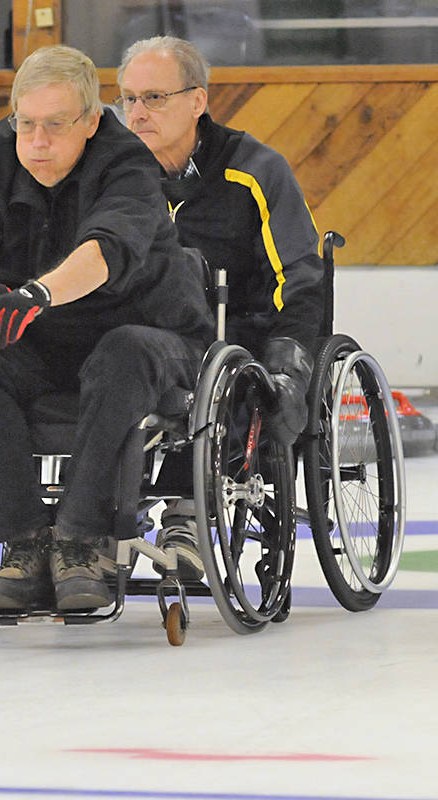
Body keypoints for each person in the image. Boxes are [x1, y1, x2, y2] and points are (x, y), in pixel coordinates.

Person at [0, 44, 214, 613]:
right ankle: (24, 543)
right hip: (38, 340)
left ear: (90, 121)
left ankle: (83, 541)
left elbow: (106, 250)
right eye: (26, 124)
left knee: (124, 351)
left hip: (147, 332)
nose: (37, 142)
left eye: (55, 126)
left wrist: (33, 295)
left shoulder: (127, 161)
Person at [117, 36, 324, 580]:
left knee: (228, 372)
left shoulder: (255, 169)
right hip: (148, 337)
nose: (137, 114)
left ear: (197, 101)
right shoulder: (114, 177)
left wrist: (290, 367)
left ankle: (185, 519)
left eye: (154, 99)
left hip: (242, 335)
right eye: (128, 99)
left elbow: (300, 278)